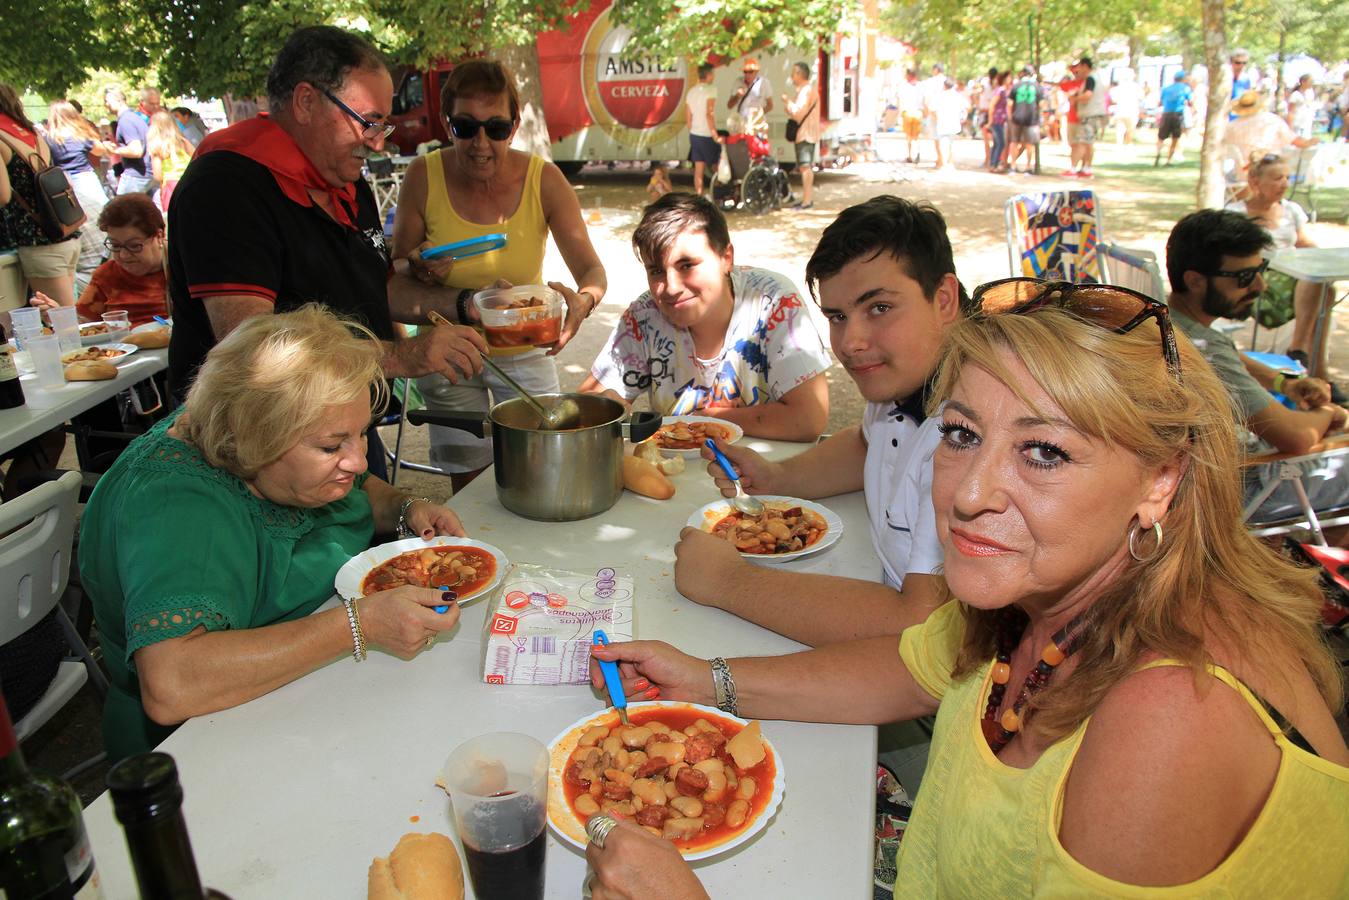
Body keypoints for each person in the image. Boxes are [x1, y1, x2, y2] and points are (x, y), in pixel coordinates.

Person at [584, 280, 1349, 899]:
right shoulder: (1046, 592)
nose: (968, 493)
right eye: (960, 435)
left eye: (1043, 451)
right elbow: (908, 668)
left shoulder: (1173, 713)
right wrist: (705, 680)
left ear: (1161, 480)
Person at [80, 306, 466, 762]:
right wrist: (359, 625)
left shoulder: (255, 426)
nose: (359, 460)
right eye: (330, 446)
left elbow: (360, 486)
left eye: (360, 434)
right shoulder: (176, 507)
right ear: (253, 439)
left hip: (305, 702)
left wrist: (403, 506)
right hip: (198, 753)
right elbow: (172, 684)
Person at [166, 26, 486, 479]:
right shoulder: (226, 186)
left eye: (383, 125)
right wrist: (402, 357)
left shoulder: (344, 181)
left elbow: (380, 289)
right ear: (306, 101)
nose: (378, 141)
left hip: (343, 426)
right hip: (259, 455)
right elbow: (254, 349)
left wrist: (467, 304)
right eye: (368, 121)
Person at [669, 195, 967, 645]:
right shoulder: (909, 377)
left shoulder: (968, 433)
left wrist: (730, 583)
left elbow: (921, 621)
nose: (851, 342)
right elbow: (868, 443)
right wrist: (779, 478)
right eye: (838, 316)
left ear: (944, 298)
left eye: (879, 308)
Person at [390, 58, 605, 491]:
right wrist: (417, 266)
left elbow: (591, 269)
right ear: (448, 124)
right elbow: (395, 276)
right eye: (465, 127)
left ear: (515, 123)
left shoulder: (544, 180)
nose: (481, 143)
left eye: (497, 128)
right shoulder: (423, 176)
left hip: (524, 345)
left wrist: (585, 299)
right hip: (450, 348)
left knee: (542, 466)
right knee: (468, 480)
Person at [581, 192, 828, 439]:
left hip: (767, 471)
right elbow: (587, 408)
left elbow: (808, 418)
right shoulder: (645, 316)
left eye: (686, 265)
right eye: (656, 270)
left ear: (726, 258)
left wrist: (702, 422)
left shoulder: (773, 300)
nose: (671, 287)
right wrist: (607, 406)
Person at [1166, 209, 1349, 521]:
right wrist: (1329, 413)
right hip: (1238, 488)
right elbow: (1297, 437)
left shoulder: (1168, 320)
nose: (1260, 286)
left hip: (1198, 476)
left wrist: (1284, 384)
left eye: (1260, 270)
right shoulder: (1204, 351)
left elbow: (1230, 357)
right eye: (1244, 278)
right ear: (1195, 281)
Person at [1224, 153, 1331, 382]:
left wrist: (1322, 257)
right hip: (1259, 277)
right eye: (1276, 178)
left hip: (1296, 274)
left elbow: (1304, 243)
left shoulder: (1291, 210)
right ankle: (1306, 361)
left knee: (1323, 286)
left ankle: (1310, 364)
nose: (1284, 184)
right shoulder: (1236, 214)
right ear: (1255, 182)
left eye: (1287, 177)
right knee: (1320, 288)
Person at [0, 84, 81, 309]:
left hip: (38, 241)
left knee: (63, 321)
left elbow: (3, 195)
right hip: (64, 233)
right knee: (65, 315)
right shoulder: (31, 132)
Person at [33, 193, 167, 326]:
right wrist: (58, 316)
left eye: (134, 246)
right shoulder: (107, 275)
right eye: (115, 246)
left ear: (159, 236)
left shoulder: (182, 266)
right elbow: (83, 324)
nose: (123, 255)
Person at [43, 99, 116, 293]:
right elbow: (99, 150)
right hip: (85, 178)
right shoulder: (80, 134)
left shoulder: (49, 138)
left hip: (61, 183)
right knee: (104, 222)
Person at [1224, 91, 1316, 182]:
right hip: (1271, 171)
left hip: (1244, 175)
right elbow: (1297, 141)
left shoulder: (1232, 126)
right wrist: (1311, 142)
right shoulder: (1272, 120)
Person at [781, 62, 819, 209]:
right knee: (805, 166)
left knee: (804, 167)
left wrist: (787, 102)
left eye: (794, 73)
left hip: (805, 133)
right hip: (808, 133)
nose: (792, 76)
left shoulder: (806, 91)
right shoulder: (807, 90)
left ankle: (807, 201)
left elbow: (798, 114)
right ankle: (806, 199)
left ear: (800, 74)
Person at [104, 87, 154, 196]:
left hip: (135, 177)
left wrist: (114, 150)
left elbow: (136, 151)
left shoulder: (126, 121)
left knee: (121, 212)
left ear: (118, 100)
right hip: (146, 175)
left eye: (107, 101)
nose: (106, 105)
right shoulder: (135, 118)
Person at [1064, 57, 1106, 178]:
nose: (1078, 70)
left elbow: (1088, 95)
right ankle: (1086, 168)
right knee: (1088, 143)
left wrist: (1075, 99)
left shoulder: (1091, 78)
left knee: (1083, 142)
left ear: (1084, 66)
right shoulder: (1096, 78)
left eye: (1079, 67)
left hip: (1089, 115)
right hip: (1093, 114)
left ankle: (1074, 168)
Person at [146, 110, 194, 213]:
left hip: (171, 186)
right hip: (190, 183)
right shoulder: (184, 142)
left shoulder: (157, 147)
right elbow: (196, 158)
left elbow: (158, 176)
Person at [683, 63, 719, 197]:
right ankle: (719, 193)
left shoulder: (691, 92)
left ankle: (699, 195)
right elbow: (709, 113)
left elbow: (688, 117)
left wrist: (693, 129)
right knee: (716, 166)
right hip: (706, 134)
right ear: (709, 75)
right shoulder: (711, 90)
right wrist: (714, 133)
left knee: (699, 168)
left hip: (695, 134)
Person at [1005, 66, 1044, 174]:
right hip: (1031, 118)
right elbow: (1041, 104)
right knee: (1029, 144)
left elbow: (1009, 103)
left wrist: (1010, 117)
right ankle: (1028, 167)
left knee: (1014, 142)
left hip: (1016, 117)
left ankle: (1013, 165)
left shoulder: (1016, 85)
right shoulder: (1037, 86)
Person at [1155, 71, 1194, 166]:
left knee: (1161, 137)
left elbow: (1160, 102)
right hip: (1178, 114)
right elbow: (1190, 102)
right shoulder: (1185, 88)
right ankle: (1168, 160)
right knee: (1175, 137)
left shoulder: (1166, 88)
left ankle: (1158, 154)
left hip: (1166, 113)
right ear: (1184, 78)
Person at [727, 58, 771, 134]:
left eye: (750, 72)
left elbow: (770, 105)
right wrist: (737, 96)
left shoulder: (764, 83)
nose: (747, 74)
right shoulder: (738, 82)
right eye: (745, 72)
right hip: (741, 124)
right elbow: (729, 105)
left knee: (757, 145)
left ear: (756, 72)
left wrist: (758, 115)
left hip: (757, 124)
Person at [897, 70, 924, 163]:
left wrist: (900, 113)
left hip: (907, 112)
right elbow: (924, 99)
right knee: (916, 135)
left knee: (908, 135)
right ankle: (917, 153)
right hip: (918, 113)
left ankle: (910, 155)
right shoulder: (920, 86)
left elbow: (900, 100)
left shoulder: (903, 86)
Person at [1108, 70, 1142, 144]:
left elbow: (1113, 99)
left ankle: (1120, 145)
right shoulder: (1136, 87)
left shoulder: (1118, 87)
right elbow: (1141, 97)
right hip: (1131, 111)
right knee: (1130, 129)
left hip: (1120, 111)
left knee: (1119, 130)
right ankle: (1127, 144)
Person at [987, 71, 1011, 173]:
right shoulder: (1000, 91)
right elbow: (992, 105)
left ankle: (993, 164)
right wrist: (990, 121)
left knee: (997, 143)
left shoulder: (1003, 91)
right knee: (1001, 143)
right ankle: (994, 164)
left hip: (1000, 120)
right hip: (997, 120)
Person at [1286, 74, 1319, 139]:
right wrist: (1290, 125)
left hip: (1306, 122)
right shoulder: (1295, 95)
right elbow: (1291, 111)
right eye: (1310, 81)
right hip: (1297, 124)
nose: (1312, 83)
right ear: (1303, 82)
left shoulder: (1310, 93)